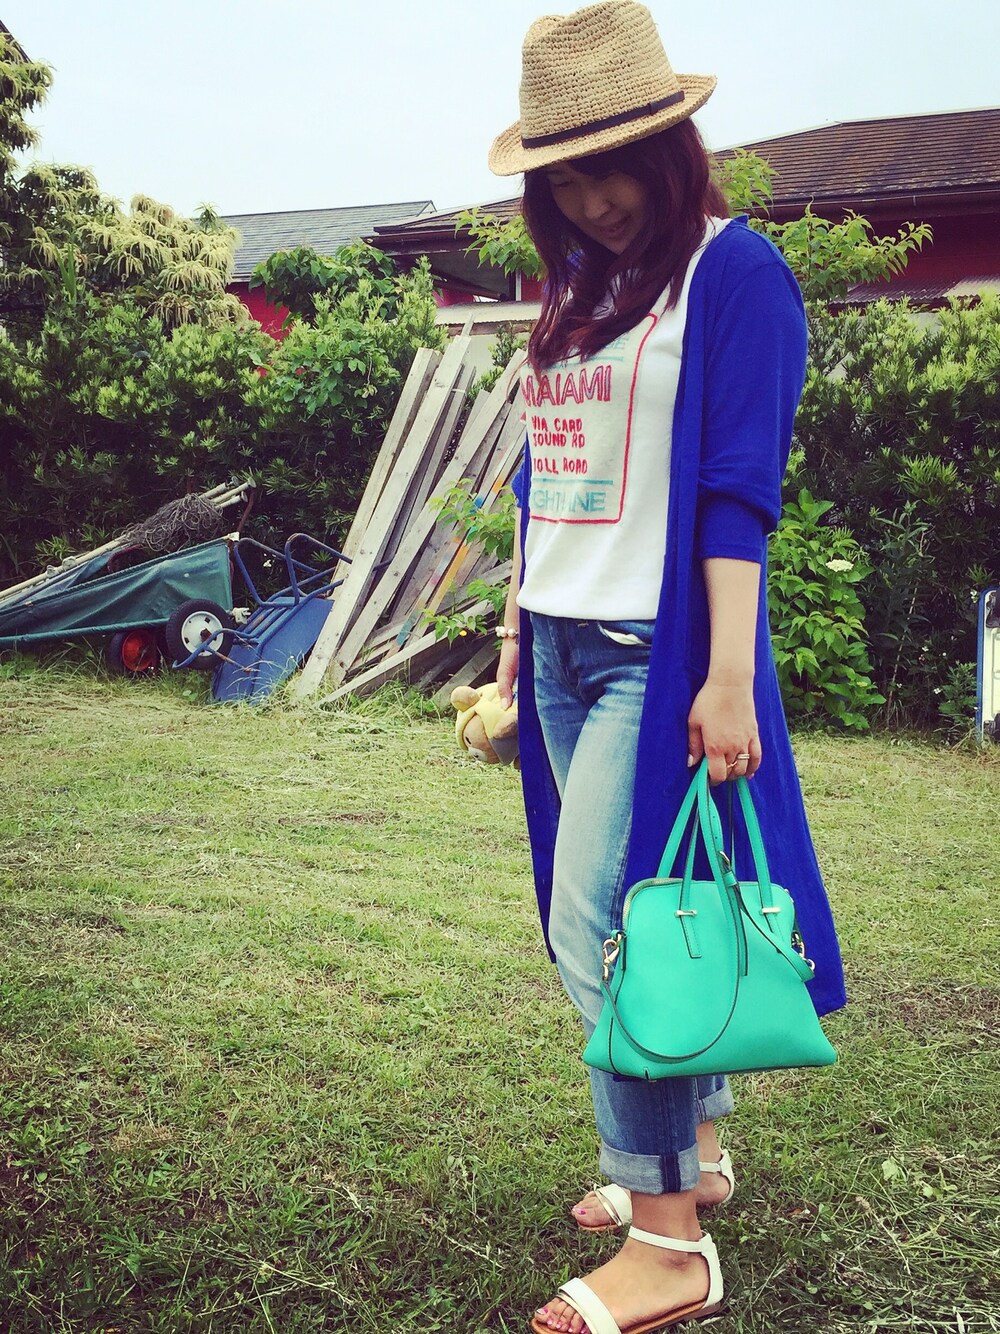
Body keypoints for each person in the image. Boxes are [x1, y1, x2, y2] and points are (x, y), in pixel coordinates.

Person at [488, 4, 846, 1332]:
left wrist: (730, 674)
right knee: (606, 915)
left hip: (656, 654)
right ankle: (694, 1151)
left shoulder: (736, 274)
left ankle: (669, 1243)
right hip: (561, 645)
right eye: (565, 176)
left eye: (614, 166)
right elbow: (546, 483)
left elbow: (738, 488)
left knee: (607, 928)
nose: (593, 197)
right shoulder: (583, 288)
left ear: (670, 147)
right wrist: (513, 650)